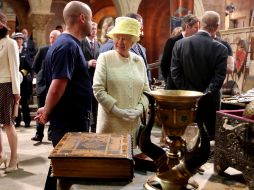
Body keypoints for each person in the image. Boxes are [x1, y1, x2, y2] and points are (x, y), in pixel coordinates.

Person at [35, 1, 92, 190]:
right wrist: (47, 110)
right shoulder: (68, 45)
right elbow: (57, 85)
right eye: (90, 19)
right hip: (70, 123)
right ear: (82, 18)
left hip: (69, 120)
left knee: (60, 169)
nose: (92, 24)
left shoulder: (66, 44)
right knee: (67, 174)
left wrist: (47, 107)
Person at [93, 16, 150, 147]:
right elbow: (98, 89)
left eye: (125, 38)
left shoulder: (139, 60)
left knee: (129, 163)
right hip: (110, 124)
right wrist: (117, 110)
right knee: (111, 163)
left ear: (133, 42)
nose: (120, 42)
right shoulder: (105, 58)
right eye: (117, 37)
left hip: (132, 125)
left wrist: (139, 109)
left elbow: (146, 91)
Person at [171, 11, 228, 141]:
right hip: (210, 102)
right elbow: (219, 78)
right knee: (209, 140)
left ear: (201, 24)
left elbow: (175, 73)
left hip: (187, 102)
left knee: (186, 138)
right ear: (217, 26)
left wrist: (189, 94)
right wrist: (205, 95)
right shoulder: (221, 49)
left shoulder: (180, 44)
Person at [31, 29, 61, 142]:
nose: (52, 39)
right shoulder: (43, 50)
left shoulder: (60, 51)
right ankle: (39, 134)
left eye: (55, 37)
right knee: (40, 109)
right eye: (51, 37)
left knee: (52, 111)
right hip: (42, 85)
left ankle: (51, 133)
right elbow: (35, 66)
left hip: (53, 87)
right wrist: (42, 76)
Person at [0, 11, 20, 173]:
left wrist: (16, 92)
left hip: (6, 86)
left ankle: (14, 158)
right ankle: (1, 155)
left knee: (8, 124)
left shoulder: (10, 43)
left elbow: (14, 68)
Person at [160, 14, 199, 89]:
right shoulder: (172, 41)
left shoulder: (196, 43)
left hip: (191, 88)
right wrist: (169, 81)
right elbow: (164, 64)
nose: (198, 31)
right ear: (187, 26)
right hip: (174, 87)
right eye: (196, 28)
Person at [80, 22, 100, 133]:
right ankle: (85, 127)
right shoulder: (81, 43)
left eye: (95, 29)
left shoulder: (98, 44)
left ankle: (94, 126)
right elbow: (77, 61)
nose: (94, 30)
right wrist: (88, 63)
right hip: (85, 79)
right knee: (86, 104)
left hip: (95, 79)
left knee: (95, 104)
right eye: (92, 28)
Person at [13, 32, 32, 128]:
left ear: (22, 40)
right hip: (14, 79)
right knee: (16, 102)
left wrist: (22, 72)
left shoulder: (25, 50)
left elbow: (29, 66)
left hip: (23, 80)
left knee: (24, 101)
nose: (18, 41)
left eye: (20, 39)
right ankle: (17, 120)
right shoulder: (12, 50)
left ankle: (27, 121)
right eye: (17, 39)